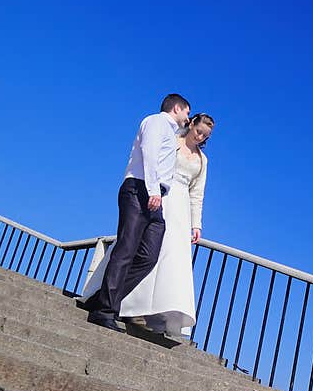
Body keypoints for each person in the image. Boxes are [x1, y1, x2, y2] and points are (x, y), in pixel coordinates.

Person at [83, 112, 215, 338]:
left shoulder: (203, 161)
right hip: (161, 195)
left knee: (167, 258)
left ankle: (150, 311)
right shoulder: (172, 141)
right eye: (198, 131)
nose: (200, 137)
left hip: (181, 207)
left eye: (205, 136)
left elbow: (197, 194)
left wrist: (196, 224)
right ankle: (124, 303)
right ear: (191, 123)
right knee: (139, 247)